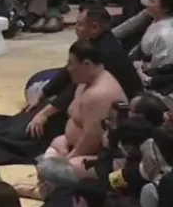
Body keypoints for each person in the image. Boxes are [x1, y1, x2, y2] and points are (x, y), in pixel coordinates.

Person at [44, 40, 126, 177]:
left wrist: (69, 157)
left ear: (87, 64)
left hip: (100, 155)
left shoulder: (100, 93)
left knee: (62, 169)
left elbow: (92, 140)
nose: (68, 68)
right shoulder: (84, 83)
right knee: (56, 143)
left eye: (71, 63)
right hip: (74, 145)